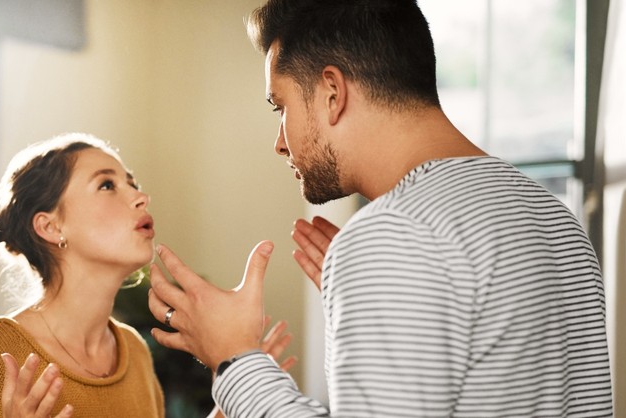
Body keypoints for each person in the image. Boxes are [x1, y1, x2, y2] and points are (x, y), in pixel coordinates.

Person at [146, 1, 614, 417]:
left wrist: (234, 358)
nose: (279, 143)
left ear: (332, 91)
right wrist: (377, 297)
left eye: (279, 107)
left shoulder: (392, 236)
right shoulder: (552, 215)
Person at [0, 132, 296, 417]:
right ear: (51, 227)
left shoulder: (133, 352)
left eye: (131, 183)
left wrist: (231, 401)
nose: (140, 197)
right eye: (107, 185)